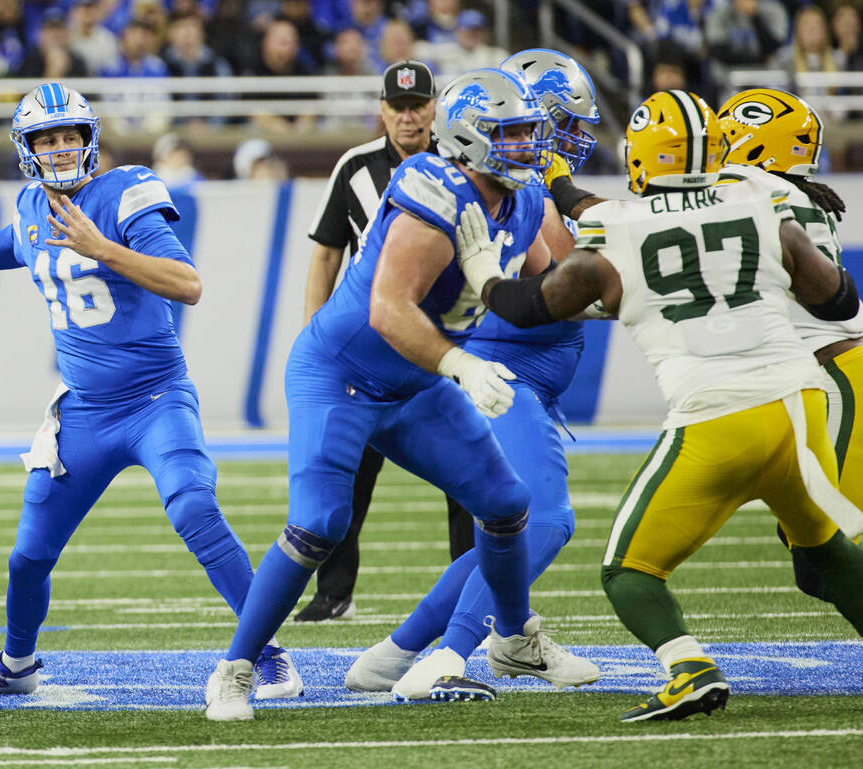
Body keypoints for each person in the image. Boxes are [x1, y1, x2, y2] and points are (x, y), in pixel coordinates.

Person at [469, 88, 863, 722]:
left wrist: (481, 274)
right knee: (824, 549)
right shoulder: (760, 201)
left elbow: (532, 306)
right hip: (800, 406)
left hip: (714, 415)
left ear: (642, 156)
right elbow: (840, 302)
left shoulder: (621, 227)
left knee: (628, 570)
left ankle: (688, 668)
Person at [0, 82, 301, 701]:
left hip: (155, 399)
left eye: (71, 136)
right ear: (27, 148)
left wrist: (104, 248)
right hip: (85, 413)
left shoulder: (126, 192)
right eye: (48, 138)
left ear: (90, 140)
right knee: (26, 558)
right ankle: (17, 669)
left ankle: (266, 652)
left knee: (194, 508)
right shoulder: (34, 209)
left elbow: (187, 283)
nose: (62, 148)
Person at [204, 68, 555, 722]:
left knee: (506, 504)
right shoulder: (431, 190)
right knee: (319, 523)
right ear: (471, 138)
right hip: (344, 370)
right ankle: (236, 667)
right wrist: (461, 363)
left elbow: (550, 288)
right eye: (507, 133)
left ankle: (513, 637)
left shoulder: (525, 196)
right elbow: (388, 308)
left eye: (525, 131)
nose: (524, 145)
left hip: (414, 380)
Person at [346, 49, 604, 700]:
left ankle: (398, 651)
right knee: (539, 519)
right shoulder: (520, 188)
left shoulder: (534, 185)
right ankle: (453, 652)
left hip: (520, 370)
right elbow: (569, 284)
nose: (568, 139)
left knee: (514, 524)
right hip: (502, 368)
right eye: (558, 123)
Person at [296, 59, 475, 624]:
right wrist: (314, 335)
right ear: (382, 110)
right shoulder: (355, 167)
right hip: (367, 350)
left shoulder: (465, 165)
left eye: (418, 105)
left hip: (443, 342)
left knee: (468, 476)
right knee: (345, 471)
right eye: (397, 107)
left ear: (434, 109)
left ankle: (473, 592)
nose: (408, 117)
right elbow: (327, 251)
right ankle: (334, 593)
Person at [716, 88, 863, 602]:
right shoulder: (788, 193)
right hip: (840, 373)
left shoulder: (742, 189)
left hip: (845, 379)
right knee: (811, 545)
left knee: (820, 560)